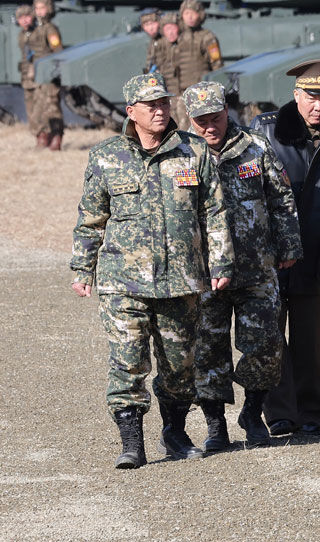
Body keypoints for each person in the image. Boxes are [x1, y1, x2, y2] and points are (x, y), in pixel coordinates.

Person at [69, 72, 234, 468]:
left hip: (181, 280)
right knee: (127, 362)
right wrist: (82, 268)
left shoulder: (193, 150)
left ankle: (174, 433)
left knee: (180, 366)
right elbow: (91, 217)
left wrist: (221, 261)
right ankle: (131, 443)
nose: (160, 110)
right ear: (131, 112)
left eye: (163, 103)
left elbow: (214, 211)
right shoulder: (107, 156)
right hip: (123, 283)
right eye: (151, 105)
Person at [184, 81, 303, 451]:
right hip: (204, 273)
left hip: (256, 267)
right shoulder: (182, 154)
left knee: (265, 344)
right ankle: (215, 424)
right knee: (207, 349)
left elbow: (281, 197)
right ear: (189, 118)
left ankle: (252, 413)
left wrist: (289, 243)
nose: (210, 126)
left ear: (227, 111)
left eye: (216, 118)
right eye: (201, 120)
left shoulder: (255, 146)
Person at [253, 59, 320, 437]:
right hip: (270, 254)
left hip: (317, 252)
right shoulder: (266, 130)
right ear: (296, 95)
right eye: (312, 97)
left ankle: (310, 412)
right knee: (271, 335)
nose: (319, 106)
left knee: (308, 336)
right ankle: (280, 413)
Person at [18, 0, 65, 150]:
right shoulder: (28, 32)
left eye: (42, 8)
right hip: (32, 75)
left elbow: (57, 50)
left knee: (51, 107)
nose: (39, 12)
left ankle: (55, 137)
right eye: (36, 8)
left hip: (46, 74)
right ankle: (42, 137)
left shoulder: (49, 29)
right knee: (34, 109)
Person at [174, 0, 223, 128]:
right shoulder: (178, 37)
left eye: (193, 13)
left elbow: (217, 63)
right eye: (186, 13)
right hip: (181, 92)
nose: (189, 17)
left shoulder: (207, 37)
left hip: (202, 92)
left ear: (200, 15)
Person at [148, 12, 181, 96]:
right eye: (167, 29)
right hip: (167, 90)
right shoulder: (157, 45)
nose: (170, 32)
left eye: (173, 28)